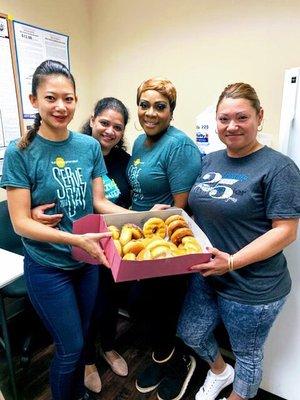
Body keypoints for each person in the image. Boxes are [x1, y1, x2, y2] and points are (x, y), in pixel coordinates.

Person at [0, 60, 133, 400]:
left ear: (77, 102)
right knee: (71, 346)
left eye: (68, 98)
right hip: (48, 267)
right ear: (34, 102)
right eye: (51, 98)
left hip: (85, 262)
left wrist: (142, 217)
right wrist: (75, 239)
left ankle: (75, 391)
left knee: (82, 334)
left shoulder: (88, 147)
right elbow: (20, 223)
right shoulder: (20, 151)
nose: (61, 106)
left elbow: (99, 202)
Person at [177, 82, 300, 400]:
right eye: (223, 118)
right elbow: (203, 207)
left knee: (247, 355)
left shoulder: (279, 169)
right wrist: (174, 213)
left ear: (259, 117)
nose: (231, 126)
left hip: (252, 286)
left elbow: (285, 230)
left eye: (241, 117)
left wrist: (231, 261)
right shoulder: (211, 160)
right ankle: (219, 372)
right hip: (208, 273)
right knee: (190, 331)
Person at [126, 77, 202, 400]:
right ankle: (163, 355)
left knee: (166, 308)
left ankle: (180, 363)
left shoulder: (179, 146)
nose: (151, 113)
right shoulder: (139, 143)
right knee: (147, 307)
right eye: (144, 105)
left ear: (171, 111)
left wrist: (160, 214)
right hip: (140, 236)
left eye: (160, 106)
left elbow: (182, 209)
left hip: (167, 243)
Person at [81, 98, 131, 393]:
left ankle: (109, 348)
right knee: (87, 305)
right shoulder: (77, 155)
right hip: (83, 244)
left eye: (117, 127)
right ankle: (88, 360)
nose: (109, 131)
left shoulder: (125, 162)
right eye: (104, 123)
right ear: (92, 120)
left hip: (116, 246)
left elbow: (128, 201)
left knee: (110, 302)